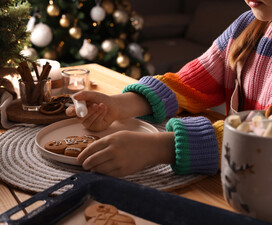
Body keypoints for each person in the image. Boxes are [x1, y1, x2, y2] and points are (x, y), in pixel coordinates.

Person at [66, 0, 272, 178]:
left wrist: (156, 148)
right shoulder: (247, 25)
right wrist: (118, 105)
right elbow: (189, 83)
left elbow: (266, 134)